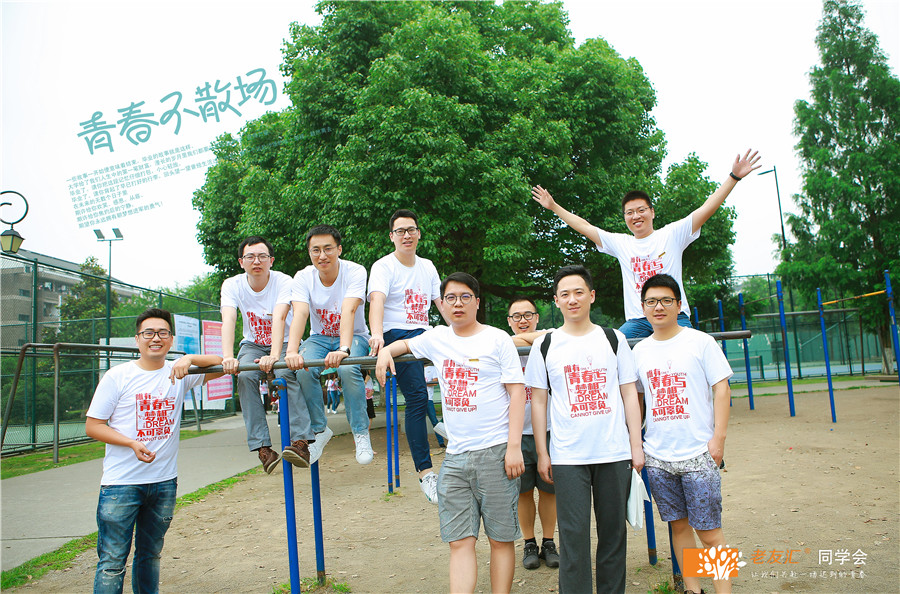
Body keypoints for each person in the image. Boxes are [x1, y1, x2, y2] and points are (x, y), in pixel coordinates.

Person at [375, 272, 526, 594]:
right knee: (459, 541)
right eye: (451, 298)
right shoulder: (437, 337)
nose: (458, 304)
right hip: (455, 457)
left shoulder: (497, 338)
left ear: (477, 302)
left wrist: (514, 447)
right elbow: (405, 344)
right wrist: (386, 351)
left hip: (496, 451)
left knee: (500, 539)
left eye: (465, 297)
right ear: (441, 304)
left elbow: (517, 393)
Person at [531, 150, 761, 338]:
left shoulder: (672, 234)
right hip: (638, 320)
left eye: (641, 210)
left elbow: (707, 208)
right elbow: (585, 226)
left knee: (692, 349)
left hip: (674, 315)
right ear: (625, 218)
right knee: (616, 349)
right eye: (630, 212)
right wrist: (553, 207)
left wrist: (734, 177)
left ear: (652, 212)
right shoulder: (621, 243)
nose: (636, 216)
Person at [85, 308, 223, 594]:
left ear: (171, 339)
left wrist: (189, 359)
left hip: (163, 483)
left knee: (150, 555)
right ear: (137, 339)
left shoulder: (179, 373)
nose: (155, 338)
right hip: (121, 484)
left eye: (162, 333)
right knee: (112, 561)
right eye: (148, 333)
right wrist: (131, 443)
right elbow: (93, 426)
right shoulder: (118, 376)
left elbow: (223, 365)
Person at [524, 265, 644, 593]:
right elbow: (538, 401)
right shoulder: (545, 344)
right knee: (573, 538)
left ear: (591, 296)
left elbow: (629, 393)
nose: (572, 299)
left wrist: (636, 445)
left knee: (613, 535)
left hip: (614, 452)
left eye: (579, 292)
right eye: (565, 294)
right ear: (556, 301)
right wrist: (543, 452)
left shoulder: (614, 338)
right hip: (567, 456)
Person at [632, 273, 734, 594]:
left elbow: (722, 389)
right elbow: (636, 400)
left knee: (710, 533)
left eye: (666, 300)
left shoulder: (700, 342)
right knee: (678, 528)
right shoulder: (640, 351)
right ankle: (692, 589)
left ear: (678, 305)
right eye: (651, 301)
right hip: (658, 457)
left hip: (698, 453)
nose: (658, 307)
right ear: (643, 308)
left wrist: (718, 440)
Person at [220, 236, 322, 473]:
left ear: (271, 260)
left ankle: (301, 442)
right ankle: (263, 447)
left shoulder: (283, 281)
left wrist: (275, 356)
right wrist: (228, 356)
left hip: (284, 341)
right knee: (245, 376)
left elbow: (280, 316)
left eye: (262, 256)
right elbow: (229, 318)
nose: (256, 261)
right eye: (250, 257)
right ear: (241, 262)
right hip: (252, 344)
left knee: (286, 372)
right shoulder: (232, 285)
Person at [367, 208, 443, 503]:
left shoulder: (428, 266)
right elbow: (377, 301)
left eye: (411, 230)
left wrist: (463, 332)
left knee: (462, 368)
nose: (406, 235)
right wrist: (377, 334)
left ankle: (449, 424)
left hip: (425, 333)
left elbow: (441, 303)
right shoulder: (384, 266)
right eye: (400, 231)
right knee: (418, 397)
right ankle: (426, 473)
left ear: (419, 234)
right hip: (396, 334)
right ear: (392, 236)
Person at [286, 225, 374, 465]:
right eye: (316, 250)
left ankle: (360, 432)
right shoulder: (303, 277)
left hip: (355, 335)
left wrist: (344, 349)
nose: (322, 255)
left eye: (328, 249)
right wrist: (292, 351)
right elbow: (300, 312)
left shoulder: (355, 271)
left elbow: (349, 308)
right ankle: (319, 430)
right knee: (302, 368)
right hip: (320, 337)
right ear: (309, 253)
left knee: (348, 367)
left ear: (339, 249)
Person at [506, 298, 558, 570]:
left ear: (537, 317)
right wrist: (524, 340)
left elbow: (550, 336)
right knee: (523, 491)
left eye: (528, 315)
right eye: (516, 316)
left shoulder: (551, 339)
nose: (523, 320)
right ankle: (529, 542)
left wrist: (525, 339)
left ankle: (548, 541)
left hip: (549, 430)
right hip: (516, 433)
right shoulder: (503, 347)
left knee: (549, 489)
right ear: (509, 321)